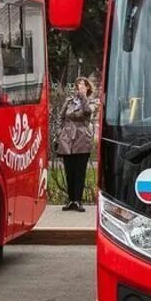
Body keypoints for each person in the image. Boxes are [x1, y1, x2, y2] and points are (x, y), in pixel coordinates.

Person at [54, 77, 98, 211]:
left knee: (80, 171)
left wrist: (84, 96)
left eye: (83, 85)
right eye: (78, 84)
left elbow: (87, 112)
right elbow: (60, 118)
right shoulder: (69, 102)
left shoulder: (91, 102)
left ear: (88, 88)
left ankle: (78, 200)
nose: (79, 87)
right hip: (67, 140)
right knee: (69, 171)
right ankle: (70, 200)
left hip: (82, 140)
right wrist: (59, 132)